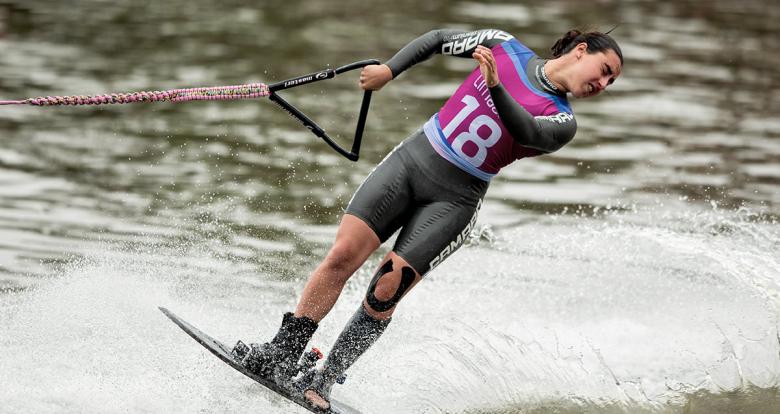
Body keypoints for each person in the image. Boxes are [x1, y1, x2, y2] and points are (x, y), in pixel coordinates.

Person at [238, 27, 623, 410]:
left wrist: (495, 87)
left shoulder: (562, 121)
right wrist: (389, 71)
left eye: (611, 81)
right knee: (342, 256)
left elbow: (526, 129)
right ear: (581, 50)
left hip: (455, 200)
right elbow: (438, 39)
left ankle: (322, 381)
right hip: (411, 163)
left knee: (384, 291)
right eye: (604, 69)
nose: (604, 83)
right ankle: (283, 351)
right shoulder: (504, 47)